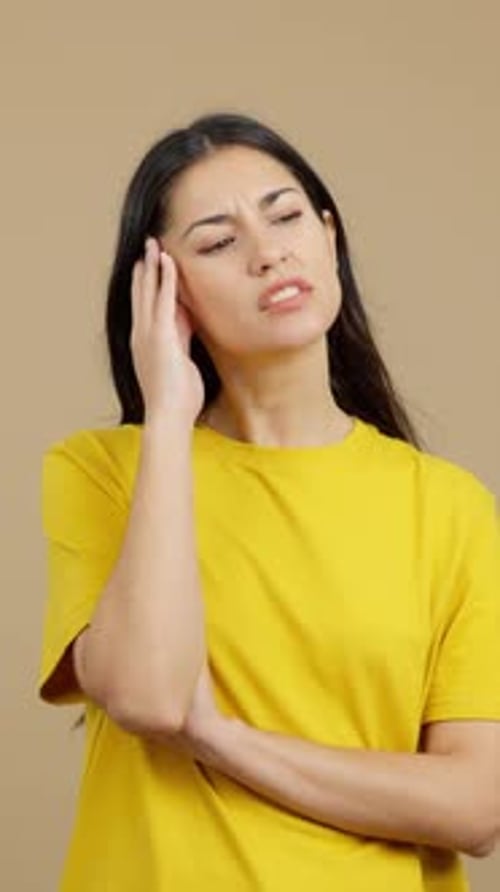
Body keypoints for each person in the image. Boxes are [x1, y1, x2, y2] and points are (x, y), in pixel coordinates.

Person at [38, 112, 500, 892]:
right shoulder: (105, 471)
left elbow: (475, 806)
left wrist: (217, 737)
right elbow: (148, 694)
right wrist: (169, 417)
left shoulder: (448, 507)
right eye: (218, 241)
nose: (269, 252)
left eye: (286, 216)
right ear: (163, 288)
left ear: (329, 237)